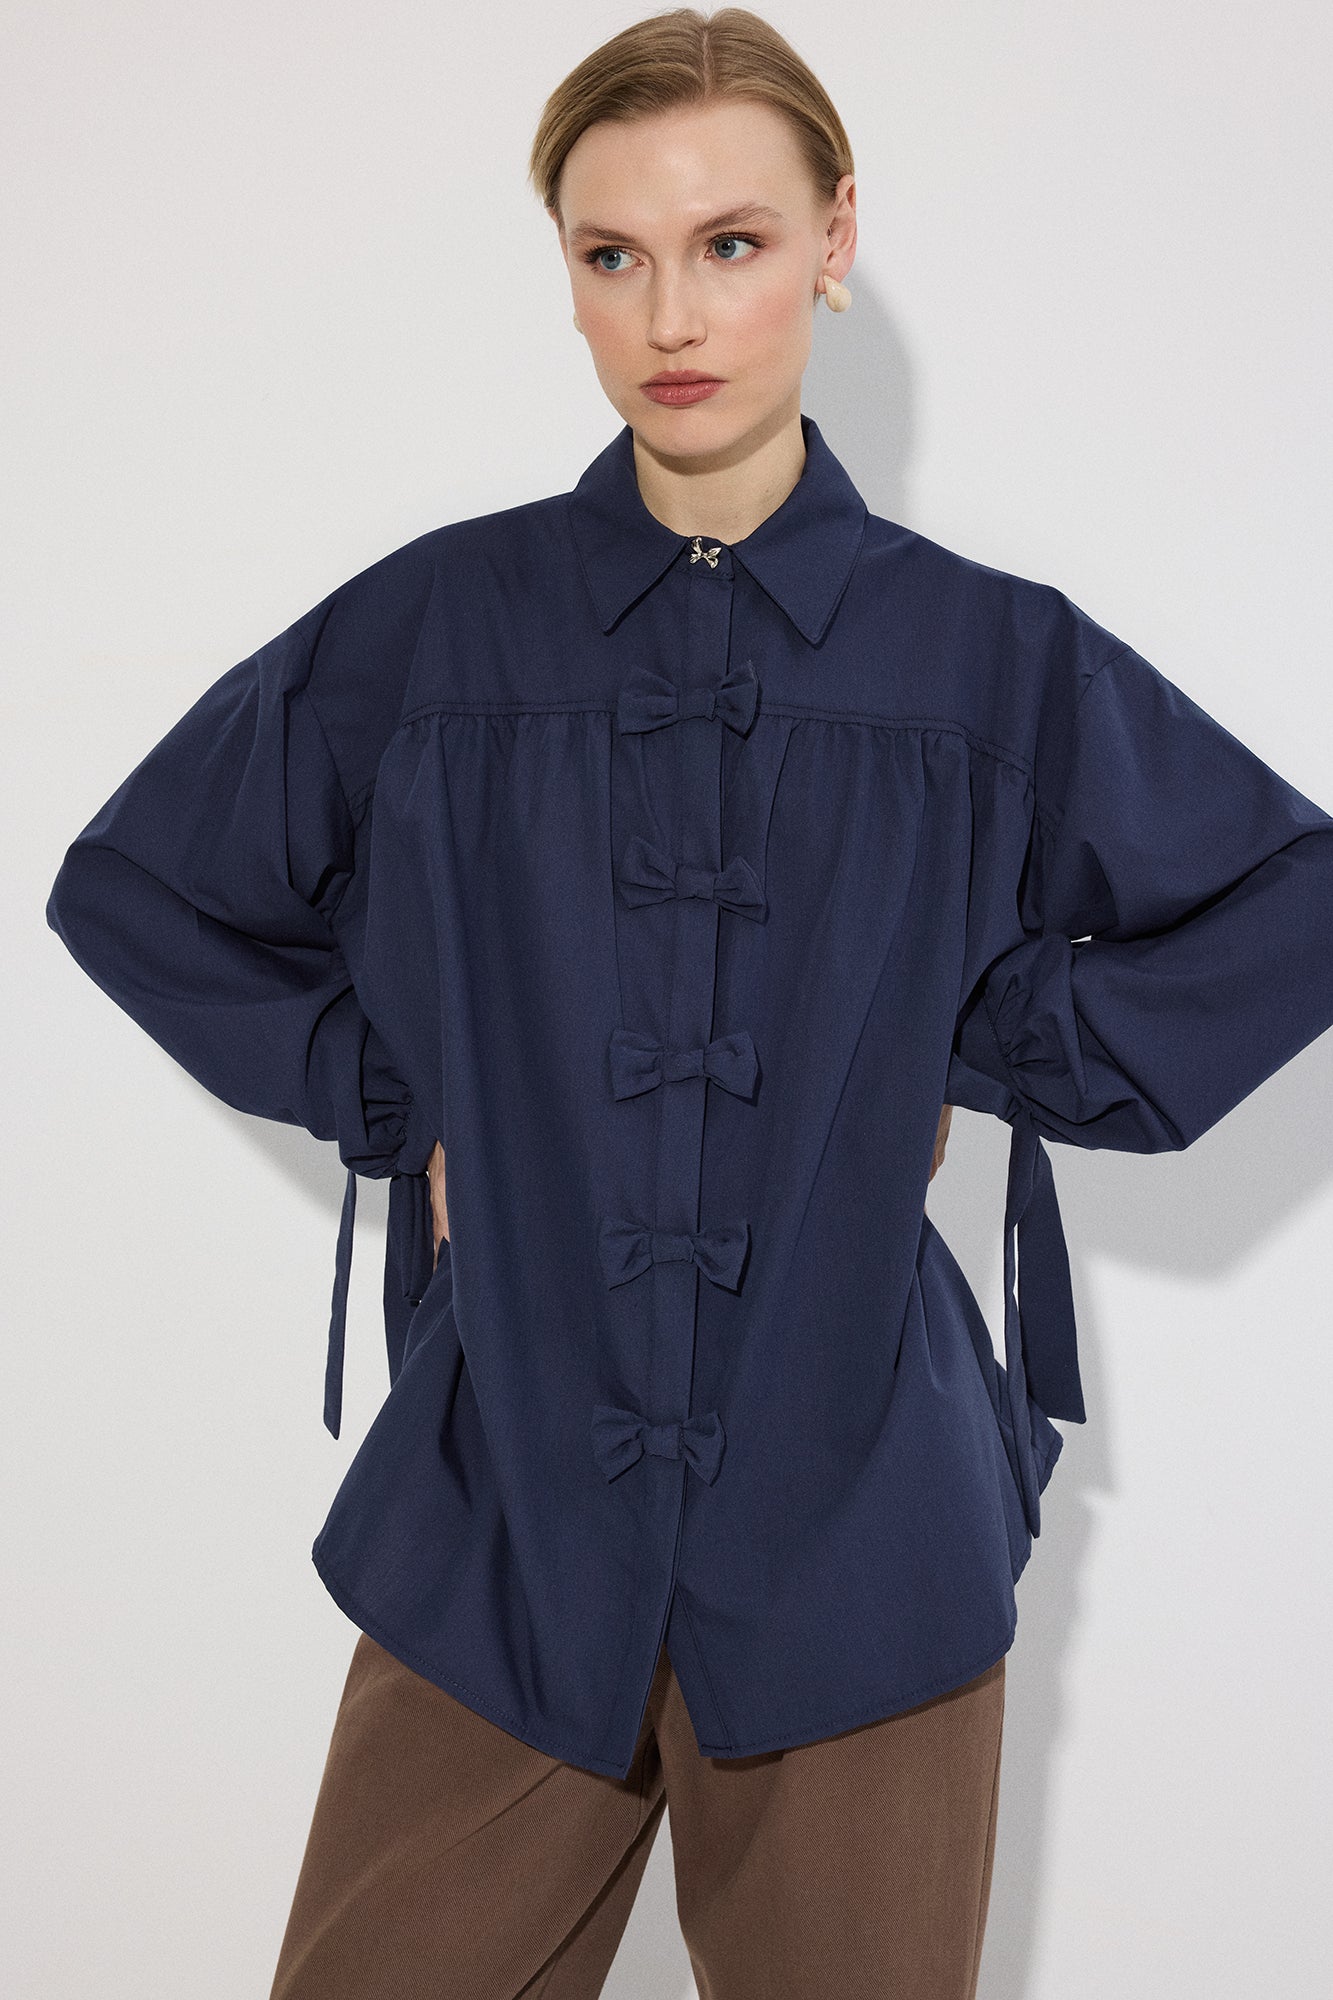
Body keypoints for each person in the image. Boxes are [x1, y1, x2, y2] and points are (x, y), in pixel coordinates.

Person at [43, 9, 1333, 1998]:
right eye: (611, 253)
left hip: (863, 1540)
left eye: (731, 243)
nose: (671, 314)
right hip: (497, 1516)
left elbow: (1291, 898)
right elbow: (134, 886)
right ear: (562, 270)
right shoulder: (433, 631)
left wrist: (977, 1035)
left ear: (833, 243)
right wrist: (394, 1085)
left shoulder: (983, 657)